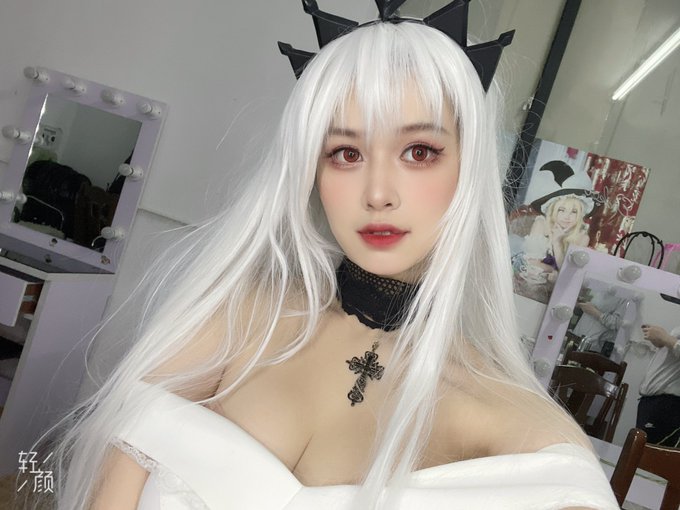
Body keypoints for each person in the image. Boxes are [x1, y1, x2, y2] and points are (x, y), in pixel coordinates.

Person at [43, 3, 619, 510]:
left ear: (469, 168)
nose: (377, 192)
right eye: (345, 152)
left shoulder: (515, 430)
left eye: (420, 151)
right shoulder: (236, 318)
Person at [637, 324, 680, 446]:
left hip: (668, 404)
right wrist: (661, 342)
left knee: (647, 453)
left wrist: (666, 338)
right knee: (640, 451)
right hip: (653, 402)